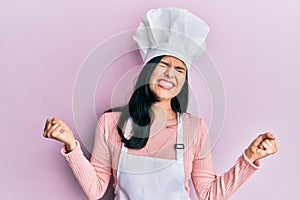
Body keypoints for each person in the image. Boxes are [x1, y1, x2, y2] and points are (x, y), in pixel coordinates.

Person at [43, 8, 278, 200]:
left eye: (179, 69)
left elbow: (208, 194)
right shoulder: (111, 123)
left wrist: (249, 157)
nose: (170, 74)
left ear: (183, 82)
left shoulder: (195, 129)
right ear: (147, 71)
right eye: (163, 65)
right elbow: (95, 191)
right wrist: (71, 146)